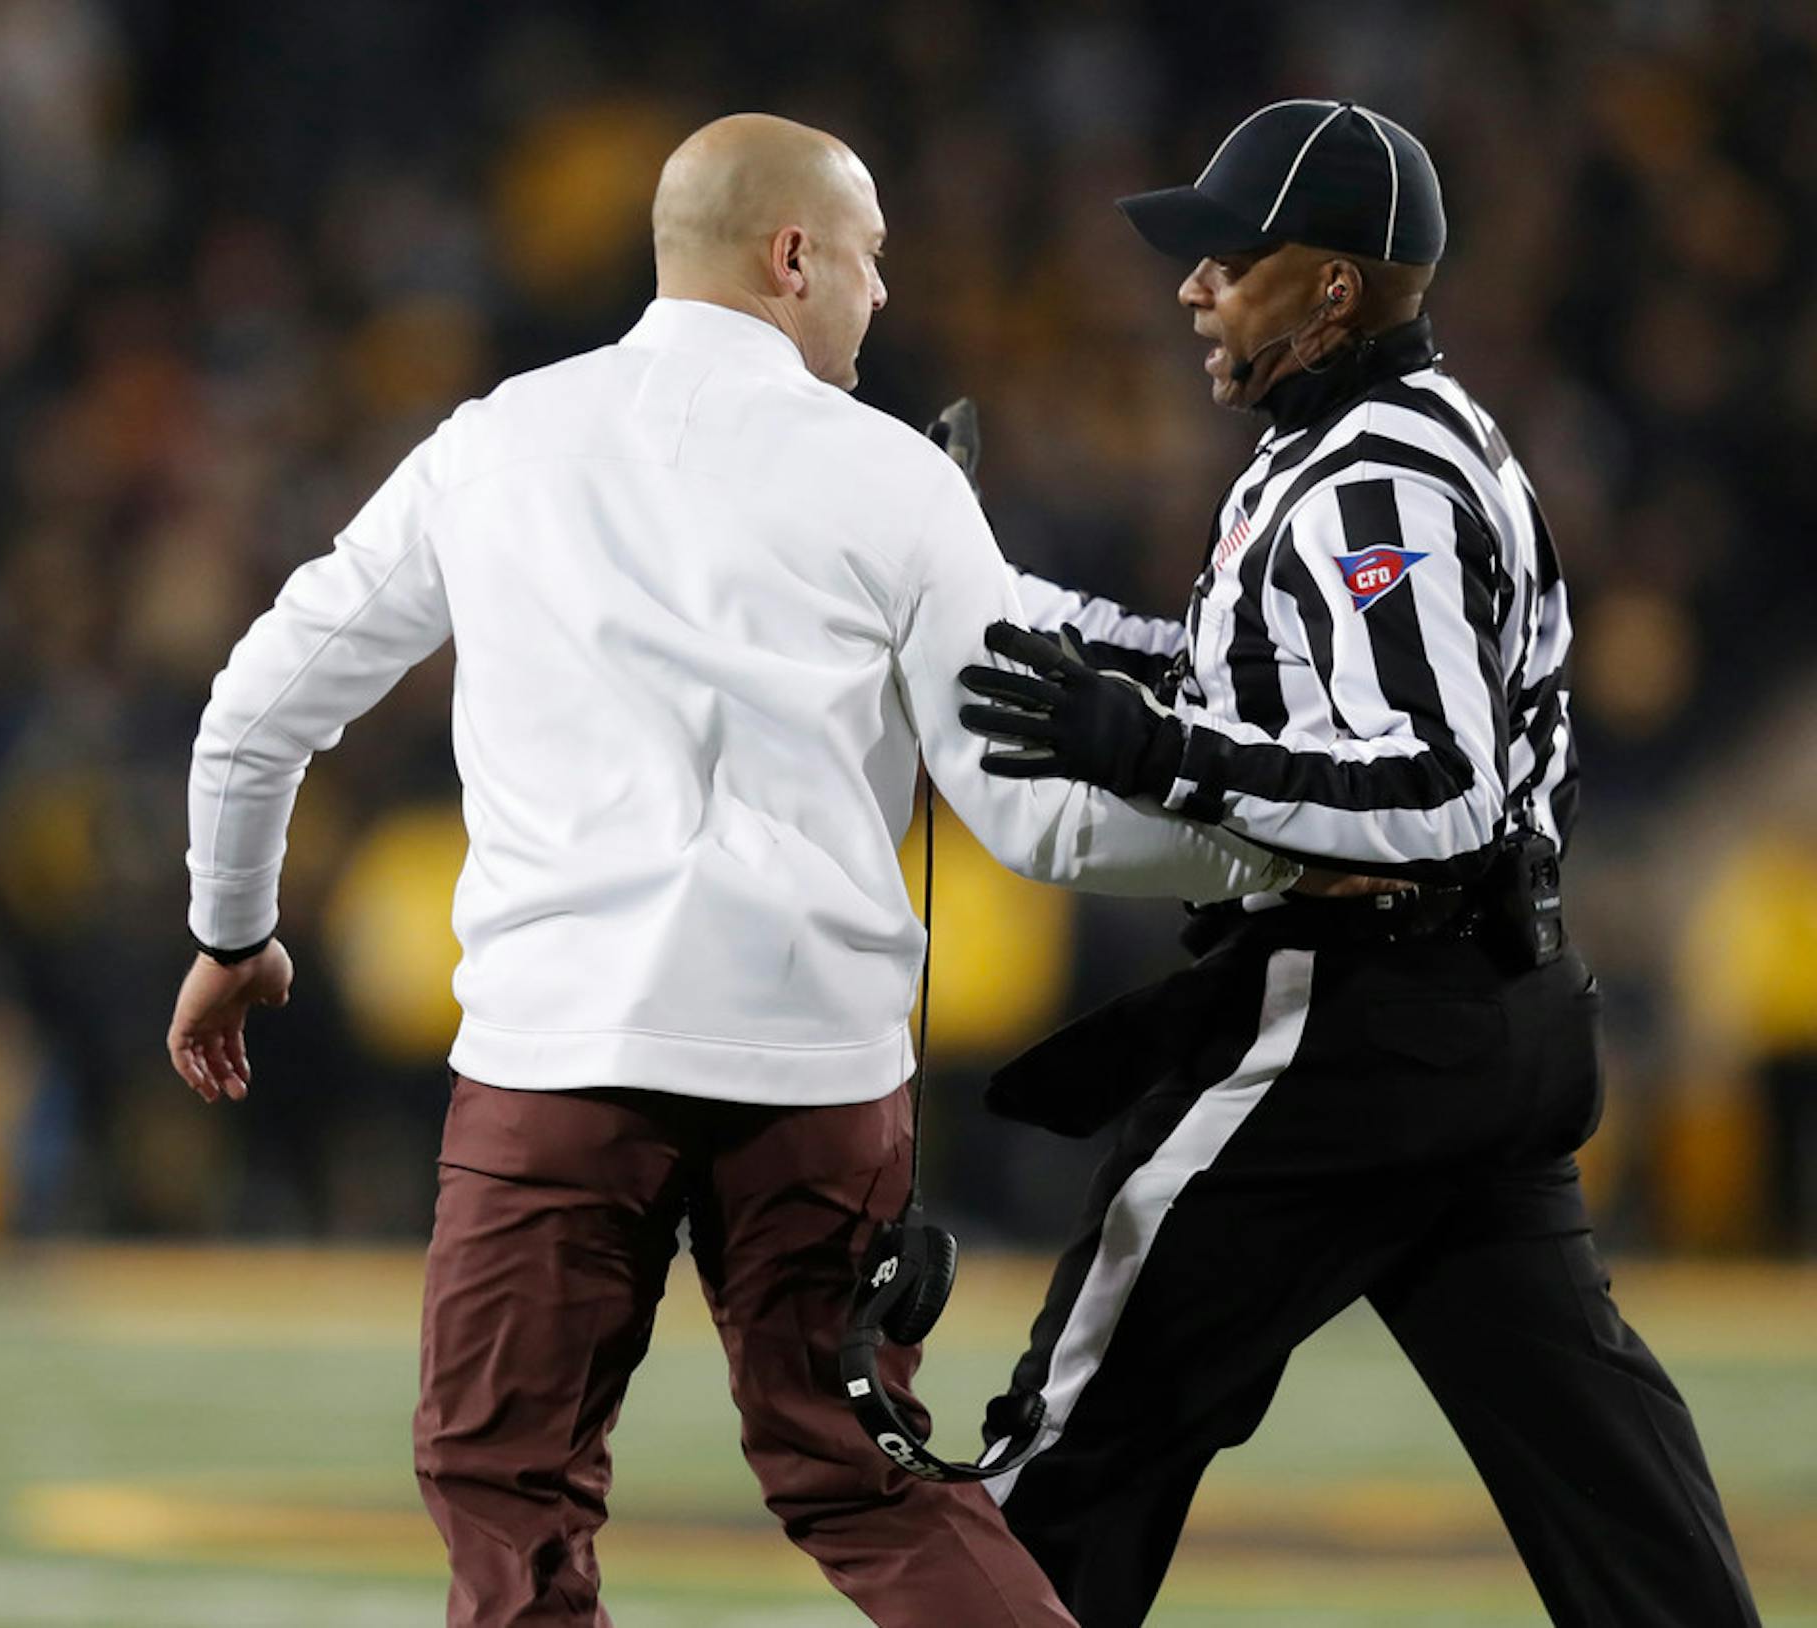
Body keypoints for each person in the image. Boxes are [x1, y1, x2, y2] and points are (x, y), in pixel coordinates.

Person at [165, 113, 1297, 1628]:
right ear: (792, 257)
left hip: (556, 1062)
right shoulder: (896, 480)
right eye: (872, 257)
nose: (883, 296)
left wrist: (233, 929)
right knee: (864, 1476)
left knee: (508, 1493)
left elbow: (256, 715)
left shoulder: (496, 443)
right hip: (816, 1071)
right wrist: (1288, 846)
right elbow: (1038, 823)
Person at [956, 99, 1761, 1626]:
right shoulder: (1379, 440)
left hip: (1372, 1019)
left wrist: (1151, 752)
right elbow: (1233, 674)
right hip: (1489, 1019)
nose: (1192, 286)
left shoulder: (1369, 481)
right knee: (1611, 1486)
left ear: (1332, 286)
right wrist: (975, 598)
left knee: (1075, 1435)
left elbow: (1437, 795)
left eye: (1230, 257)